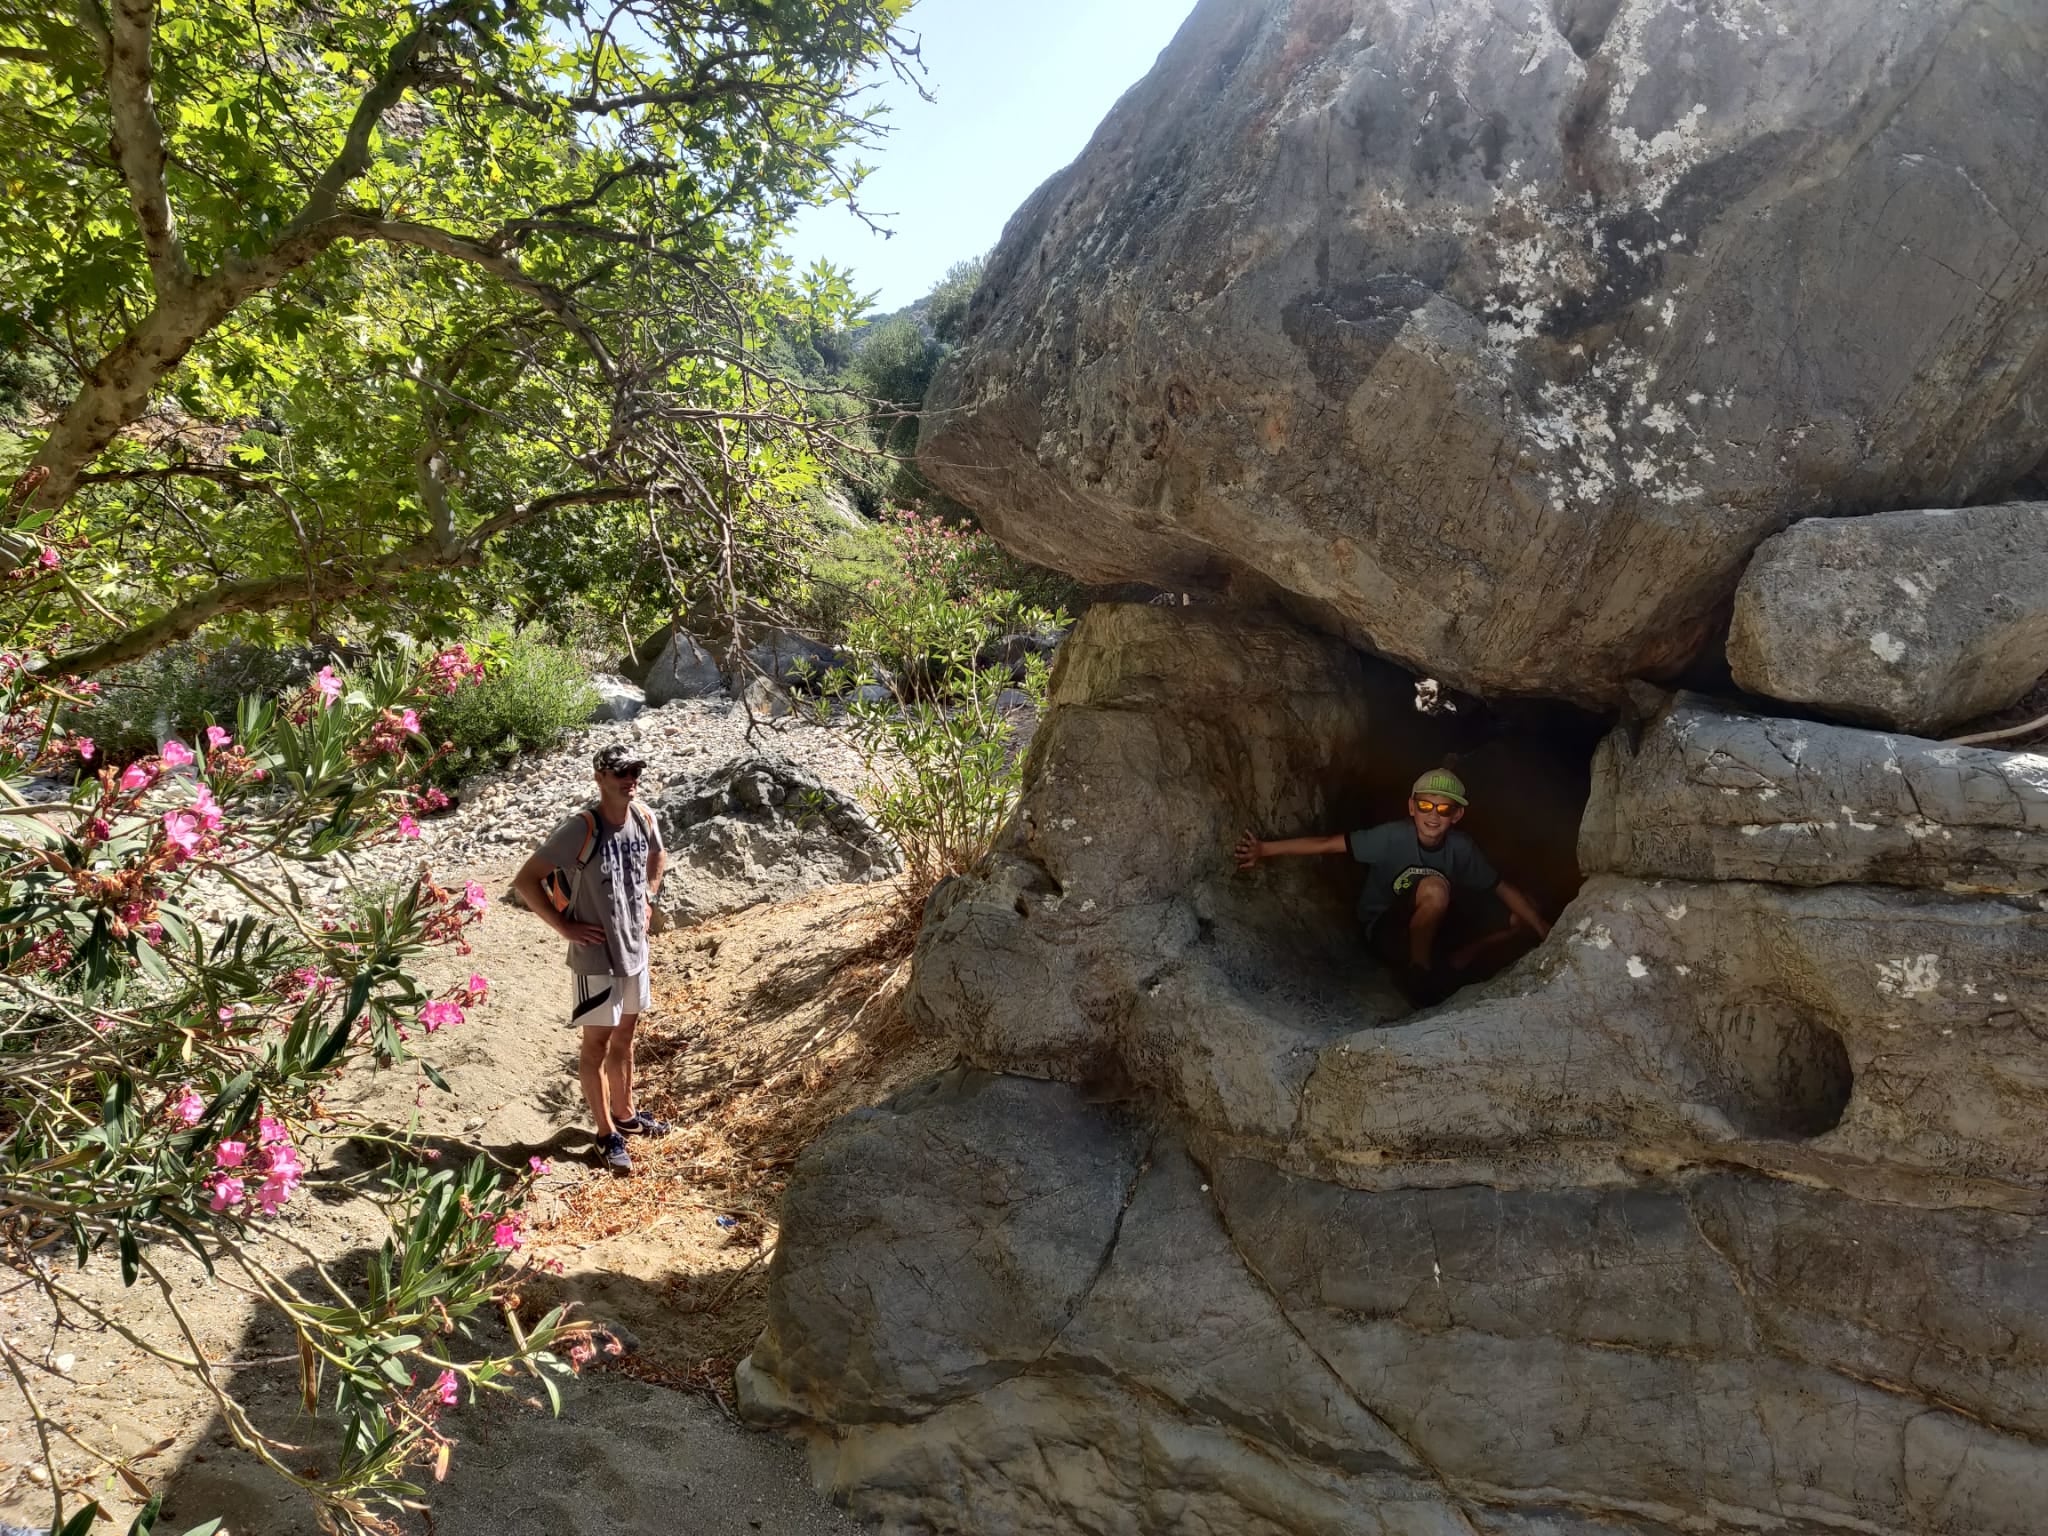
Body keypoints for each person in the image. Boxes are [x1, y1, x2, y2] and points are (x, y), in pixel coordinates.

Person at [1235, 767, 1551, 1001]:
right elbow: (1328, 844)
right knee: (1435, 890)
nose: (1433, 815)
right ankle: (1419, 974)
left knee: (1519, 910)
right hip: (1384, 927)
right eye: (1426, 806)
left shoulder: (1461, 849)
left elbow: (1500, 886)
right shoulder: (1390, 837)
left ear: (1457, 815)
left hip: (1431, 925)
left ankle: (1451, 966)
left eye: (1444, 809)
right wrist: (1264, 850)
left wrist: (1545, 931)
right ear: (1412, 807)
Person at [512, 743, 671, 1174]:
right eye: (620, 772)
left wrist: (650, 896)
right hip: (597, 957)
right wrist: (565, 929)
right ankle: (605, 1135)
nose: (630, 779)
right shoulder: (581, 828)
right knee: (596, 1044)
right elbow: (526, 880)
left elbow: (658, 854)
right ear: (600, 778)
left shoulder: (644, 817)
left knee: (625, 1037)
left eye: (634, 771)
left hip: (634, 951)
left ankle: (626, 1115)